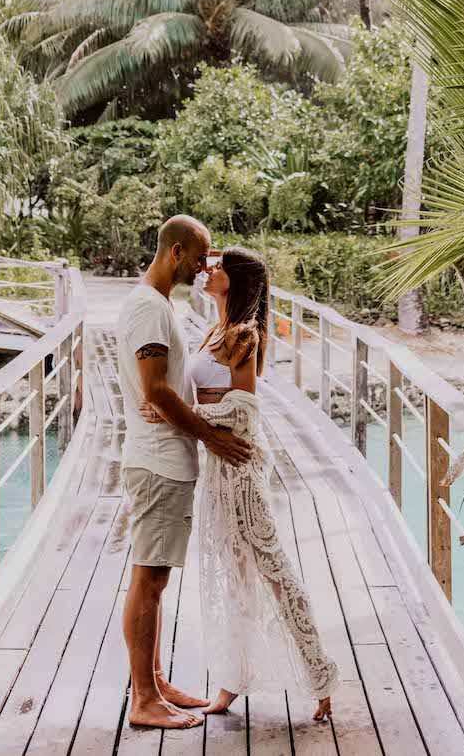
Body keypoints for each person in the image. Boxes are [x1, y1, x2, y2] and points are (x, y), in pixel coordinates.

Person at [184, 245, 338, 721]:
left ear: (236, 279)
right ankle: (233, 679)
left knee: (274, 572)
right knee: (233, 577)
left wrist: (185, 415)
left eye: (216, 266)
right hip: (217, 469)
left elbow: (243, 409)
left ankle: (321, 677)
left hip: (241, 471)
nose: (207, 271)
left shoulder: (244, 335)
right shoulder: (214, 328)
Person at [115, 214, 252, 731]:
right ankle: (144, 699)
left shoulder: (157, 307)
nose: (202, 268)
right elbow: (156, 390)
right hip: (157, 462)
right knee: (148, 579)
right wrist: (210, 435)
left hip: (161, 458)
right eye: (198, 257)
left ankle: (153, 681)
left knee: (153, 578)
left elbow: (163, 387)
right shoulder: (150, 311)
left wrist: (185, 412)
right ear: (175, 252)